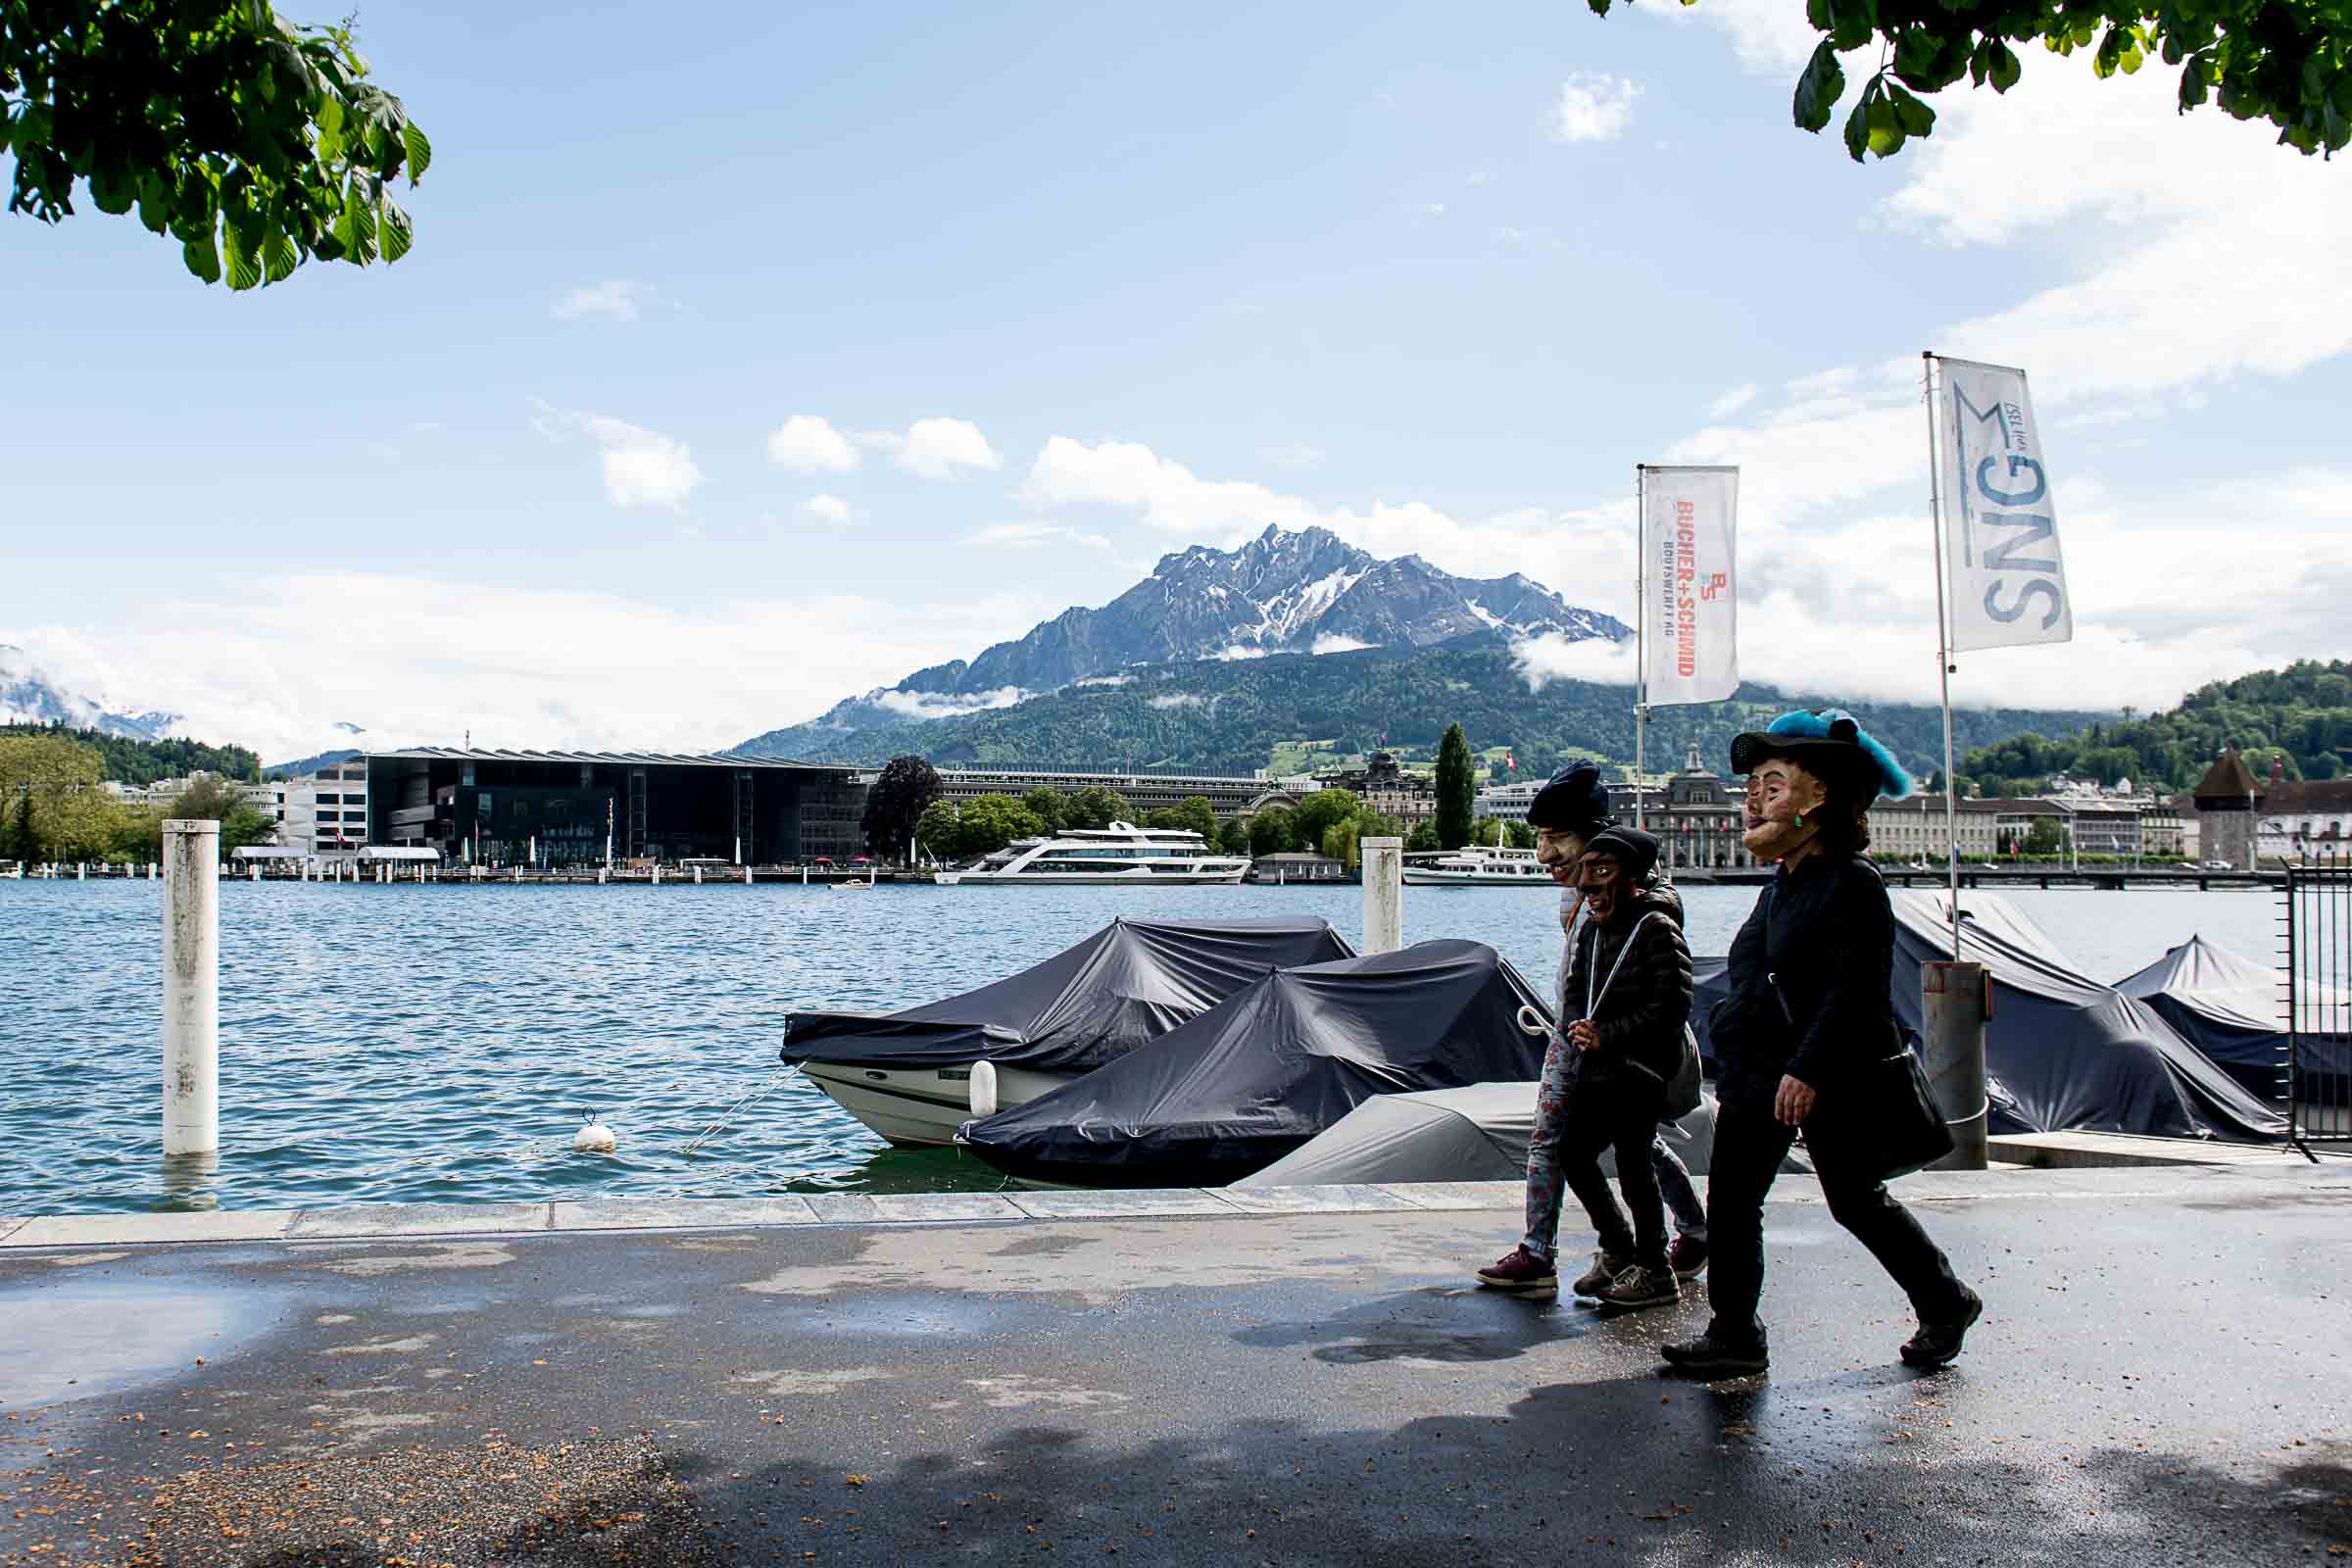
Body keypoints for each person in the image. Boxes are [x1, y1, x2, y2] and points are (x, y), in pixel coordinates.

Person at [1661, 710, 1984, 1378]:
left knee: (1854, 1199)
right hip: (1760, 1071)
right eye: (1753, 786)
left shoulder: (1852, 884)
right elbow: (1757, 977)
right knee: (1733, 1198)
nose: (1752, 800)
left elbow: (1856, 992)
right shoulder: (1783, 885)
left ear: (1821, 800)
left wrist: (1806, 1070)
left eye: (1771, 786)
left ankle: (1945, 1299)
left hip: (1823, 1074)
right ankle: (1735, 1334)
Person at [1476, 764, 1709, 1299]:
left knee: (1578, 1142)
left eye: (1557, 839)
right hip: (1575, 1034)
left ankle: (1559, 1253)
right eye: (1540, 839)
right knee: (1601, 1143)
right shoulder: (1578, 896)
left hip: (1614, 1043)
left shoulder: (1638, 904)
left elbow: (1659, 988)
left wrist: (1597, 1033)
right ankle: (1682, 1235)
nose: (1544, 855)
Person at [1545, 825, 1693, 1307]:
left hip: (1639, 1070)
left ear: (1631, 878)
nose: (1587, 887)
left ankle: (1654, 1270)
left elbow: (1671, 1005)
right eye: (1586, 874)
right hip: (1599, 1067)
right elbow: (1576, 989)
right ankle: (1620, 1248)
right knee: (1574, 1152)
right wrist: (1577, 1028)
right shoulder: (1594, 929)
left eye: (1601, 873)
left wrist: (1607, 1034)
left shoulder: (1655, 929)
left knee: (1633, 1165)